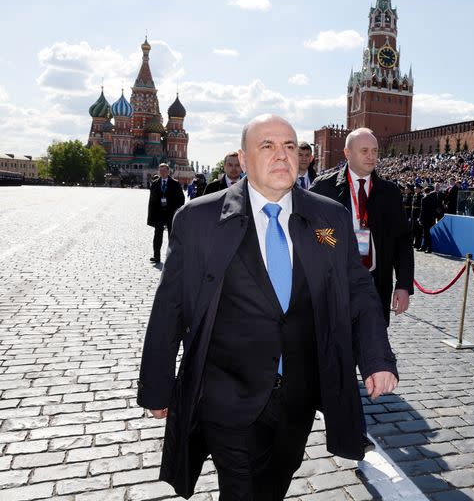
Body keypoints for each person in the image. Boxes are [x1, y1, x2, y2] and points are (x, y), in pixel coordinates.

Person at [137, 114, 398, 500]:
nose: (282, 155)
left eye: (290, 146)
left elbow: (358, 292)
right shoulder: (199, 220)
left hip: (298, 397)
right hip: (227, 395)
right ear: (243, 160)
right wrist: (157, 387)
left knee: (275, 484)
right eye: (268, 146)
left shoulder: (331, 217)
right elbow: (170, 306)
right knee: (242, 490)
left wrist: (377, 357)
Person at [310, 127, 414, 325]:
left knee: (373, 346)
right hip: (334, 284)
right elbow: (311, 233)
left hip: (376, 283)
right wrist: (338, 246)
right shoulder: (323, 188)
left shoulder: (389, 192)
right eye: (364, 151)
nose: (371, 156)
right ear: (347, 153)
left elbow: (403, 241)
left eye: (375, 151)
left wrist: (403, 285)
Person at [147, 163, 185, 264]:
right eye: (160, 171)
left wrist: (177, 211)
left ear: (168, 171)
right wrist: (151, 217)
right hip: (159, 214)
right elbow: (151, 201)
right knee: (157, 236)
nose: (162, 172)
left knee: (171, 237)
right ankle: (156, 256)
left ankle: (172, 256)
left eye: (164, 170)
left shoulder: (175, 183)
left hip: (171, 214)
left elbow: (181, 199)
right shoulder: (155, 183)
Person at [419, 185, 439, 253]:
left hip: (425, 218)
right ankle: (426, 247)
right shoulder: (434, 198)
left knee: (425, 234)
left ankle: (427, 247)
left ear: (424, 192)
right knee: (428, 234)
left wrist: (420, 219)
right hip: (432, 218)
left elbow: (422, 210)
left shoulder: (424, 199)